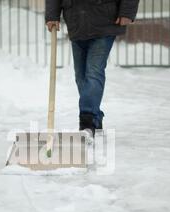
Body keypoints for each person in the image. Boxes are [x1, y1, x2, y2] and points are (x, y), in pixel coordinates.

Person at [46, 0, 140, 137]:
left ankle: (87, 122)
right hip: (76, 22)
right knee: (81, 77)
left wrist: (126, 12)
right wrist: (52, 15)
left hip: (104, 20)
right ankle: (95, 117)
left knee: (94, 72)